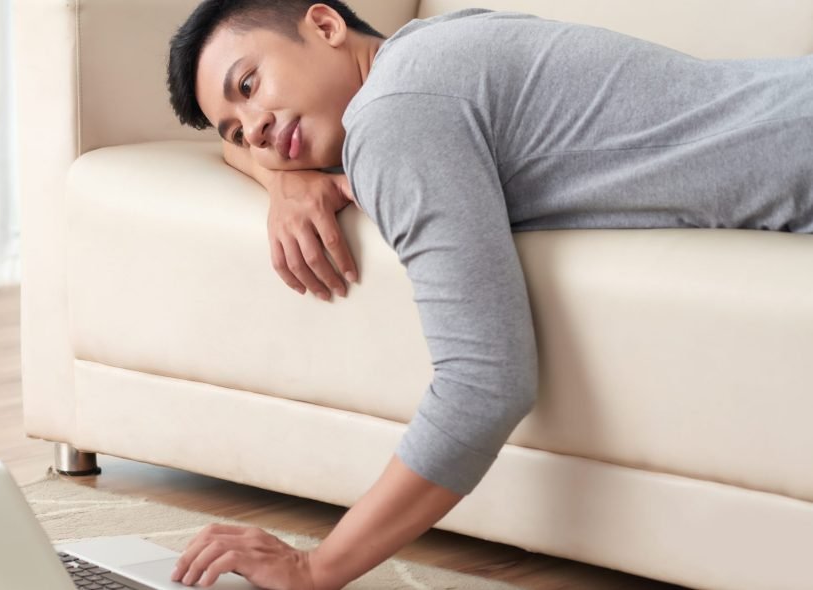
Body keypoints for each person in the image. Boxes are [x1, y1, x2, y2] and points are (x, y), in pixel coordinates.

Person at [163, 1, 813, 588]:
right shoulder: (437, 43)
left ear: (326, 25)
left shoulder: (396, 117)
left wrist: (316, 567)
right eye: (238, 131)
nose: (258, 130)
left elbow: (485, 382)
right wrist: (283, 181)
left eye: (248, 86)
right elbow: (269, 144)